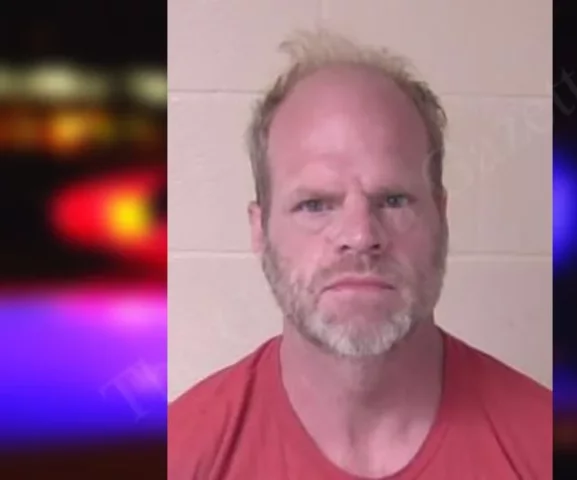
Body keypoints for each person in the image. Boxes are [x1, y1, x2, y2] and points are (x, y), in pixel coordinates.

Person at [169, 29, 552, 479]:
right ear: (259, 229)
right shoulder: (180, 453)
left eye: (394, 200)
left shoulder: (543, 444)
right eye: (315, 204)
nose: (360, 235)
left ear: (441, 216)